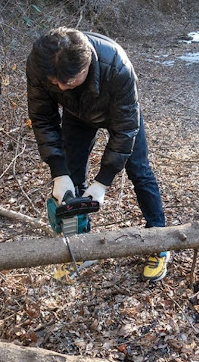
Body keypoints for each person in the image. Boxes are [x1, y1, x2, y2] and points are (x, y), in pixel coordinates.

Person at [25, 27, 169, 282]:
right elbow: (42, 118)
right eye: (54, 82)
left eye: (66, 82)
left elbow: (125, 132)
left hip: (119, 114)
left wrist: (103, 182)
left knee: (139, 171)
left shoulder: (117, 66)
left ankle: (159, 241)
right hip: (77, 114)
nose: (59, 87)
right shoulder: (40, 63)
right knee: (72, 177)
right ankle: (79, 247)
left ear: (86, 66)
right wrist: (59, 172)